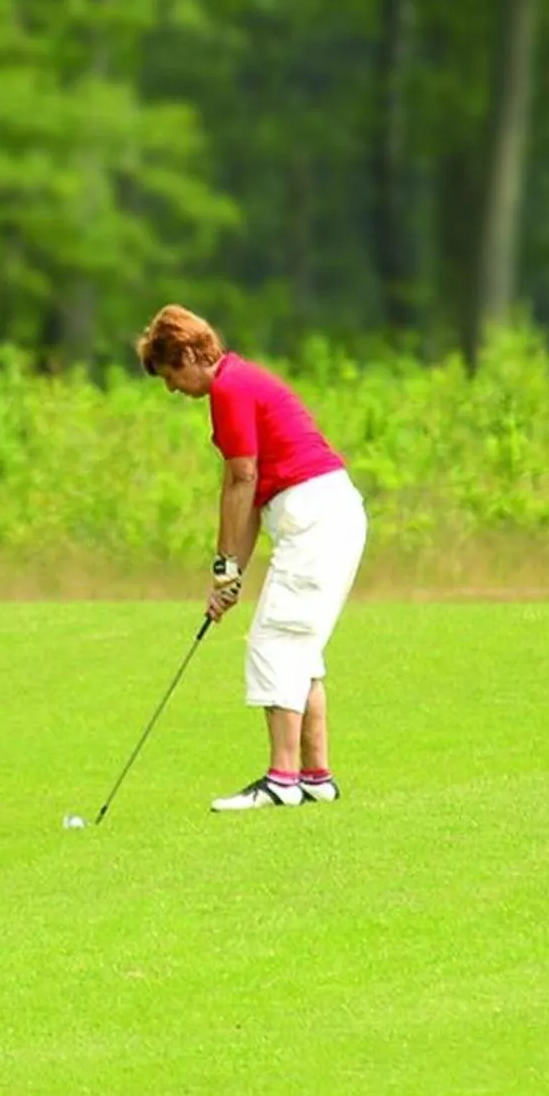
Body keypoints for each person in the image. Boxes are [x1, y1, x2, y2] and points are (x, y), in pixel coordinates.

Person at [135, 304, 368, 812]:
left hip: (316, 517)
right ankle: (315, 777)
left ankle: (281, 781)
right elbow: (255, 502)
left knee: (276, 640)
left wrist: (222, 566)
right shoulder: (239, 382)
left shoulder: (229, 389)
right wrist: (230, 576)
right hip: (322, 515)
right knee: (300, 646)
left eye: (172, 373)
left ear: (193, 354)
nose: (172, 388)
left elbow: (240, 480)